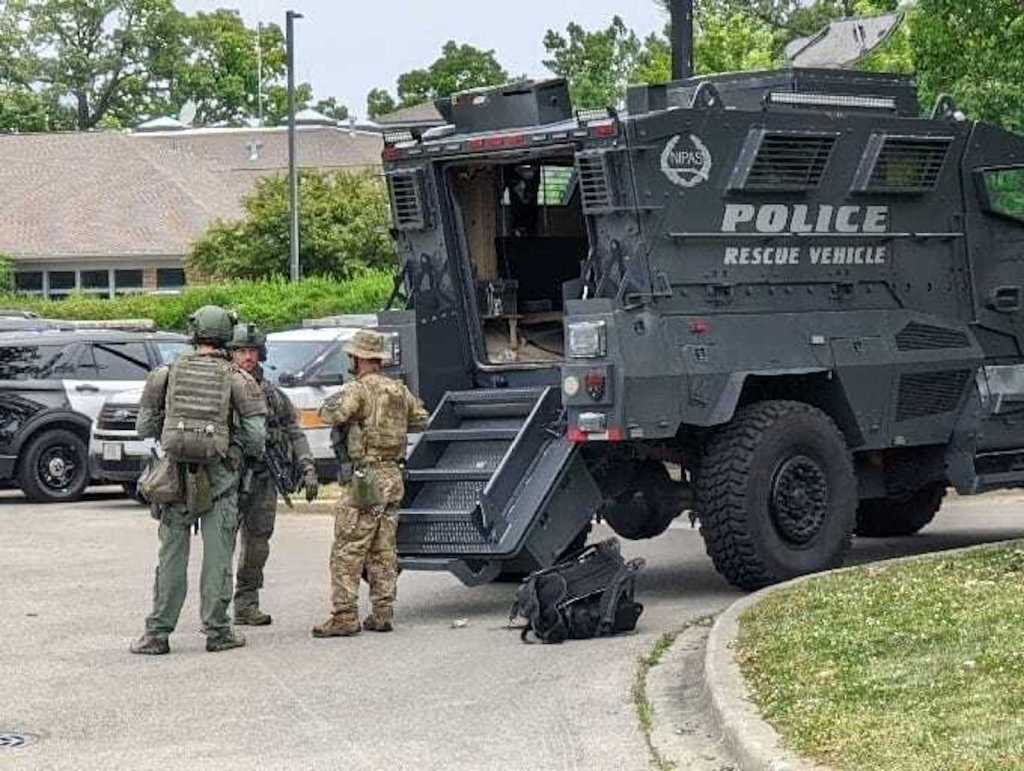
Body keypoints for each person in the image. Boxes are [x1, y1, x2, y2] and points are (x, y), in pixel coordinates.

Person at [130, 306, 267, 655]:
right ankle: (218, 631)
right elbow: (255, 438)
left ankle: (157, 634)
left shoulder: (165, 374)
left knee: (171, 556)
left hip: (174, 477)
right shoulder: (239, 379)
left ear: (194, 334)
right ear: (226, 336)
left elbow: (144, 427)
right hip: (220, 478)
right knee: (218, 557)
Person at [312, 329, 429, 638]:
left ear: (358, 358)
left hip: (366, 479)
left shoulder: (358, 390)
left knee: (348, 548)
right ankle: (382, 612)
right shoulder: (398, 390)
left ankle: (345, 615)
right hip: (392, 476)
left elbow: (329, 414)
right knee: (383, 549)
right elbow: (421, 419)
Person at [227, 322, 318, 626]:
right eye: (241, 351)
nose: (247, 357)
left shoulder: (272, 393)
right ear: (231, 354)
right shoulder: (222, 389)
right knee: (221, 544)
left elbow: (293, 431)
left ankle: (246, 604)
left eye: (252, 351)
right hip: (228, 476)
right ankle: (215, 608)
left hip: (264, 477)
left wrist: (307, 466)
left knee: (257, 543)